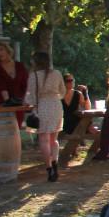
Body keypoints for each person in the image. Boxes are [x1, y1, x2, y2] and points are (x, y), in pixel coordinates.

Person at [25, 52, 66, 181]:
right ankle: (55, 163)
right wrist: (55, 96)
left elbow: (31, 96)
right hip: (56, 105)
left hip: (42, 106)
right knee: (54, 139)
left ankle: (49, 169)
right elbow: (63, 92)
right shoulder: (57, 73)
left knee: (44, 140)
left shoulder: (34, 76)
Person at [0, 41, 30, 126]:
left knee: (17, 130)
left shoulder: (20, 66)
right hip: (2, 105)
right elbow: (1, 86)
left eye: (1, 49)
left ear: (7, 50)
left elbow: (27, 84)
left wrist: (25, 100)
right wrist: (8, 104)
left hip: (19, 103)